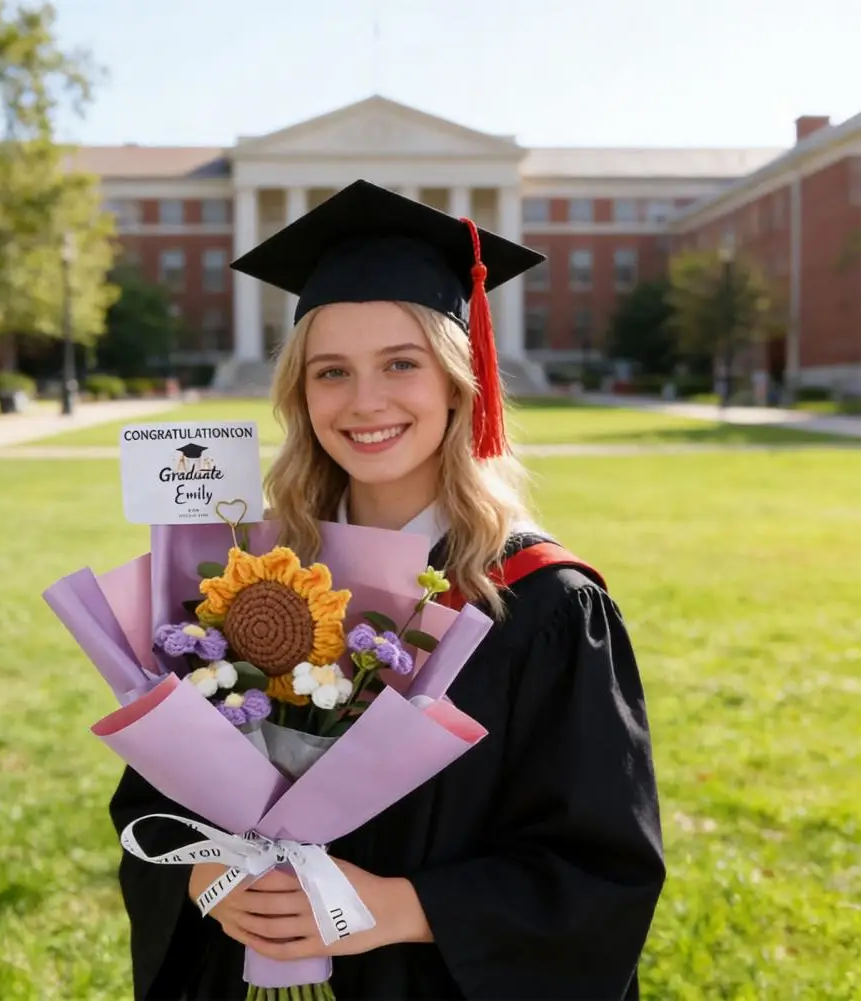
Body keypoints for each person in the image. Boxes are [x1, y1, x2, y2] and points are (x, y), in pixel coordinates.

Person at [110, 180, 666, 1000]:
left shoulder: (540, 604)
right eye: (331, 371)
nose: (364, 401)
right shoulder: (250, 579)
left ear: (456, 381)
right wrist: (205, 877)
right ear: (301, 394)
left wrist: (395, 908)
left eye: (400, 364)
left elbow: (599, 868)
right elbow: (152, 800)